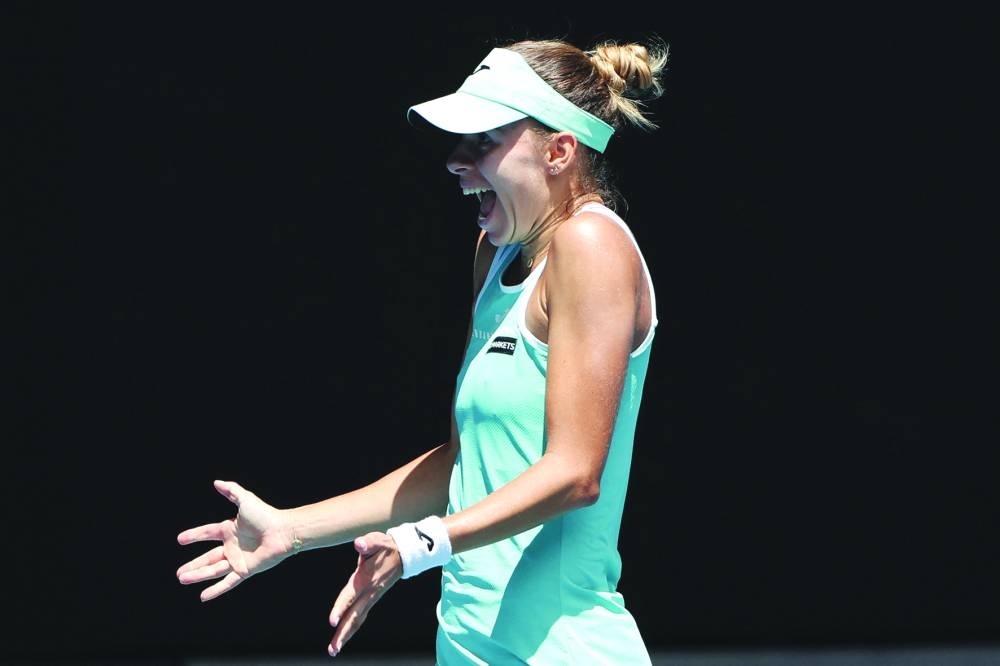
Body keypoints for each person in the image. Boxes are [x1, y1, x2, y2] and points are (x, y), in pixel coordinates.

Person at [176, 35, 669, 664]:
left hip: (563, 649)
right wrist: (293, 529)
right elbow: (463, 465)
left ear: (559, 152)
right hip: (464, 639)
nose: (456, 160)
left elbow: (575, 473)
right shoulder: (496, 256)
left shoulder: (591, 244)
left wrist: (418, 545)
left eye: (484, 140)